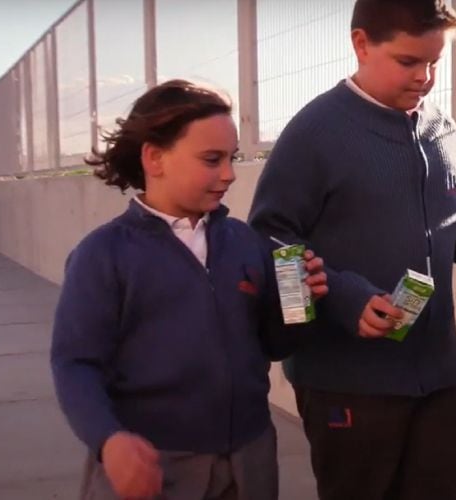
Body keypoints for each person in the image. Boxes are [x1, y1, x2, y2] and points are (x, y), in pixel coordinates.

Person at [248, 1, 456, 499]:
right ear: (361, 44)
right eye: (408, 62)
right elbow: (270, 240)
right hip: (345, 382)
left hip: (437, 380)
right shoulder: (313, 133)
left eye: (435, 62)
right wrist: (343, 298)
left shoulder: (445, 132)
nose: (425, 77)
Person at [50, 79, 327, 500]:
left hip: (250, 459)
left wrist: (300, 305)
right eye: (212, 159)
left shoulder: (245, 242)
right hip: (154, 465)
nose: (230, 174)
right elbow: (75, 364)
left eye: (231, 158)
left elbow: (274, 345)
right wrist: (109, 440)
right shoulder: (102, 255)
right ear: (155, 157)